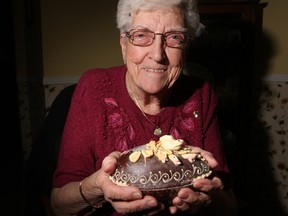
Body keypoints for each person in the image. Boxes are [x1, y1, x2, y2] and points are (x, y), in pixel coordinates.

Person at [50, 0, 238, 215]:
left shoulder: (201, 93)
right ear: (123, 44)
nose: (157, 55)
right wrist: (98, 186)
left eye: (174, 37)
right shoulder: (94, 87)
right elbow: (59, 205)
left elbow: (230, 206)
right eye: (141, 35)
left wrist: (208, 198)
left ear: (186, 47)